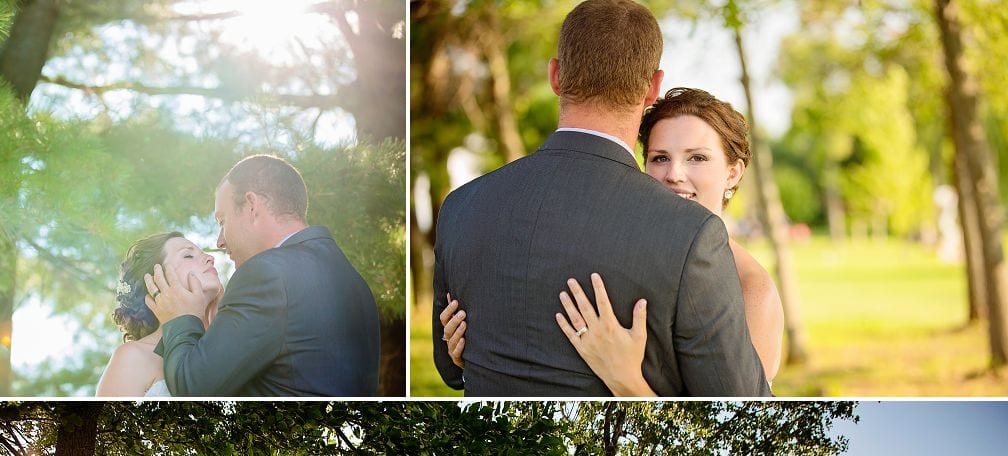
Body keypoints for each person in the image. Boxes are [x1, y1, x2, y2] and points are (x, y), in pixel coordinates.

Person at [430, 0, 768, 397]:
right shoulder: (690, 234)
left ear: (555, 76)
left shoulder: (461, 206)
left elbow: (453, 369)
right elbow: (739, 403)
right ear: (653, 89)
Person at [144, 154, 381, 396]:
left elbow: (192, 389)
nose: (220, 242)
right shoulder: (353, 281)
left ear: (251, 206)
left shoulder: (266, 274)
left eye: (222, 221)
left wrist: (182, 316)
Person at [96, 233, 222, 396]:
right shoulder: (133, 357)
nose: (210, 257)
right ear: (156, 282)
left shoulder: (229, 340)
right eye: (188, 255)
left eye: (204, 253)